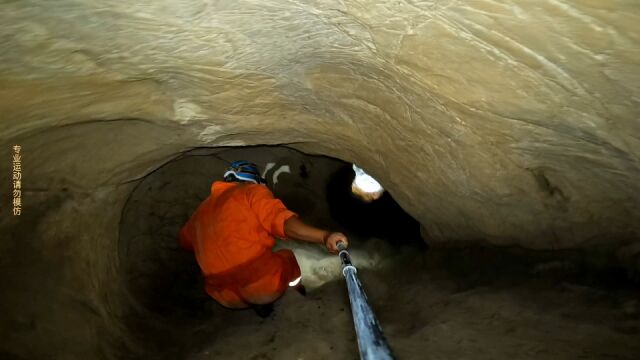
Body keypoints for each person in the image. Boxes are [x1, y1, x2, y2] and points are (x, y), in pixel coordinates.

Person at [179, 160, 348, 317]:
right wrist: (324, 236)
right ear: (252, 179)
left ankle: (257, 304)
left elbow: (185, 242)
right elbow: (282, 222)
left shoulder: (199, 213)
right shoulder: (251, 191)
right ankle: (295, 290)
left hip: (223, 296)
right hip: (263, 285)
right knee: (287, 256)